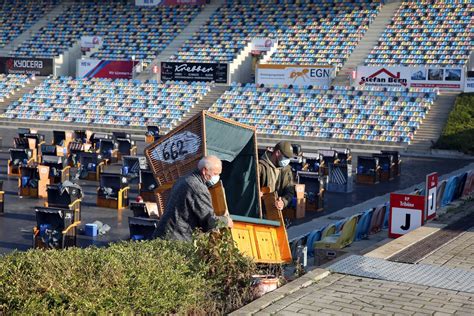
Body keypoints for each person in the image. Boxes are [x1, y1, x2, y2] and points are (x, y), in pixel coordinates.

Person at [154, 155, 233, 241]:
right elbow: (208, 222)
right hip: (177, 239)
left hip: (163, 234)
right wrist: (226, 221)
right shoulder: (198, 188)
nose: (217, 177)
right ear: (204, 171)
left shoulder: (183, 179)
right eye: (215, 174)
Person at [259, 141, 296, 211]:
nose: (287, 160)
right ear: (277, 153)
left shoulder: (287, 170)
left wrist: (283, 202)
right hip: (259, 211)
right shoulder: (260, 166)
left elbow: (290, 192)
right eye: (286, 157)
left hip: (274, 212)